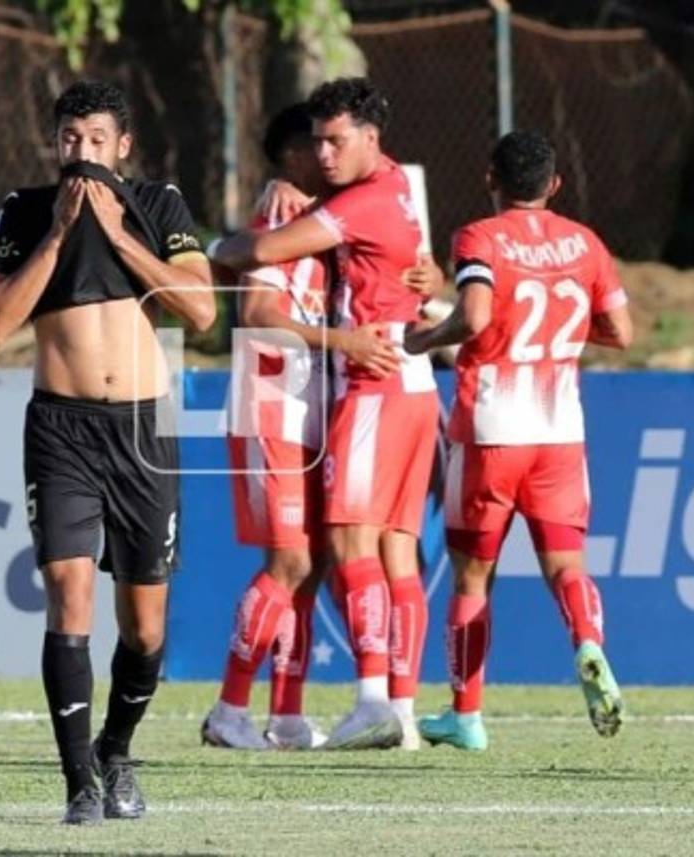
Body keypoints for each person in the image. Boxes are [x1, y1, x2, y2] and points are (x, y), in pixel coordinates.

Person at [0, 81, 215, 822]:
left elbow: (202, 311)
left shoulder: (159, 204)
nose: (82, 152)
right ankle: (78, 780)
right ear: (57, 144)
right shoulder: (25, 210)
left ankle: (116, 750)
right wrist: (58, 236)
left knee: (144, 627)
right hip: (62, 430)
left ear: (123, 146)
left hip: (143, 433)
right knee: (68, 594)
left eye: (96, 139)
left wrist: (117, 236)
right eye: (70, 139)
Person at [208, 78, 441, 750]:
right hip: (277, 408)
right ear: (290, 159)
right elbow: (255, 312)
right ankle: (234, 708)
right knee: (300, 559)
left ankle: (310, 710)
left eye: (333, 141)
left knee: (328, 559)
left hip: (353, 391)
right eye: (313, 144)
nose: (324, 154)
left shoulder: (343, 210)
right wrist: (227, 239)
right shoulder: (295, 213)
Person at [404, 130, 634, 751]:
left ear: (491, 179)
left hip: (492, 428)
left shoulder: (479, 237)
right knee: (566, 564)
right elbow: (621, 330)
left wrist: (421, 338)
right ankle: (587, 641)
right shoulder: (584, 243)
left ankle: (466, 717)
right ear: (555, 184)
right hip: (559, 429)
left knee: (473, 578)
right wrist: (561, 333)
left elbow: (475, 317)